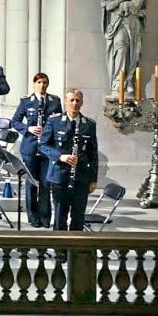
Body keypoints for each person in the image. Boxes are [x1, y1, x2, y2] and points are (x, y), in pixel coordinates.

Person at [39, 89, 99, 231]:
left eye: (78, 100)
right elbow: (42, 145)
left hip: (81, 178)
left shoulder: (89, 124)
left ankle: (75, 251)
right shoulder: (54, 121)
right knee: (60, 216)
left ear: (82, 103)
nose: (75, 103)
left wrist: (93, 179)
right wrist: (60, 156)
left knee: (78, 217)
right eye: (71, 100)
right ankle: (60, 251)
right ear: (65, 102)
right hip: (59, 176)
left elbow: (93, 154)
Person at [11, 72, 61, 228]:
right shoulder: (26, 101)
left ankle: (45, 218)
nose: (42, 85)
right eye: (39, 82)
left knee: (46, 183)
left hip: (47, 148)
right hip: (31, 147)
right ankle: (33, 218)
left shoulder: (54, 101)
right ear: (34, 84)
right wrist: (28, 128)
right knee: (31, 184)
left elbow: (59, 121)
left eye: (45, 82)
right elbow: (14, 121)